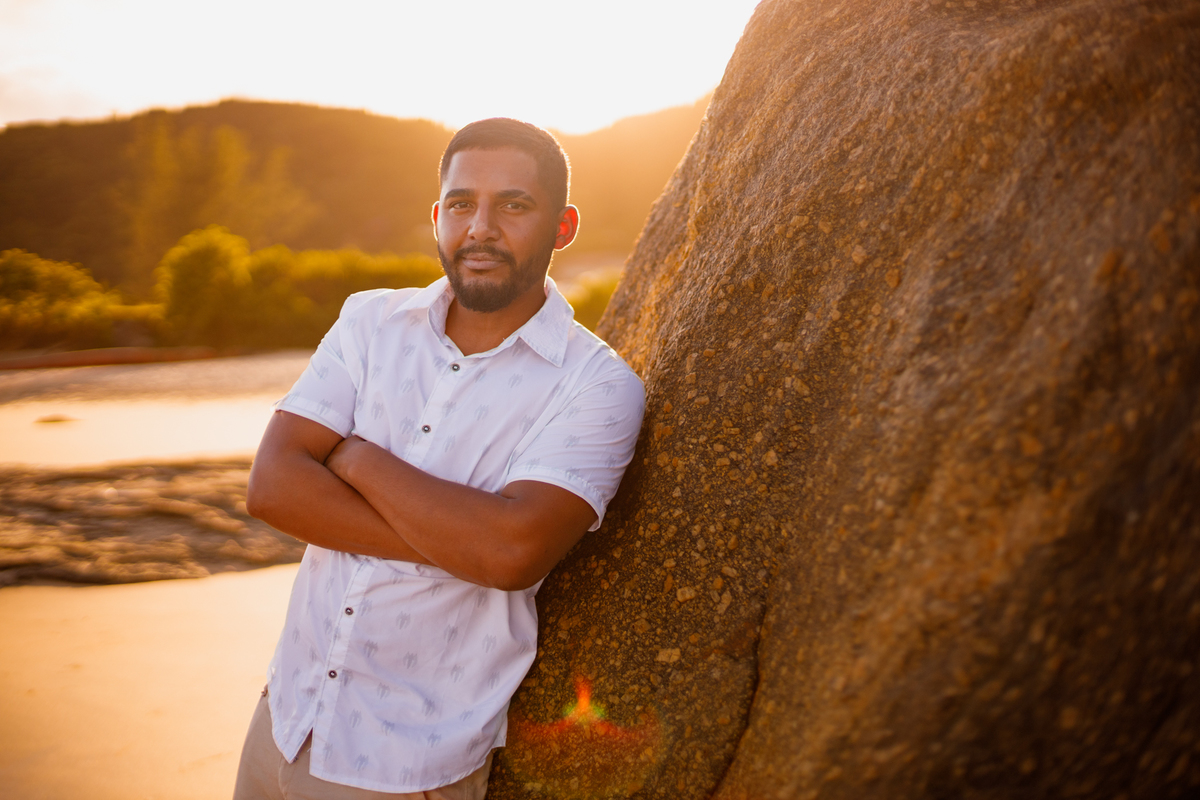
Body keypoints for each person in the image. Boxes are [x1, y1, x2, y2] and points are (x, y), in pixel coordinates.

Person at [232, 118, 645, 799]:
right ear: (437, 217)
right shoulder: (368, 324)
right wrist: (463, 538)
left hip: (406, 766)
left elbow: (511, 555)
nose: (481, 227)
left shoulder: (597, 386)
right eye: (461, 204)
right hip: (283, 721)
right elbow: (273, 488)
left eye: (514, 204)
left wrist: (356, 459)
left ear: (562, 226)